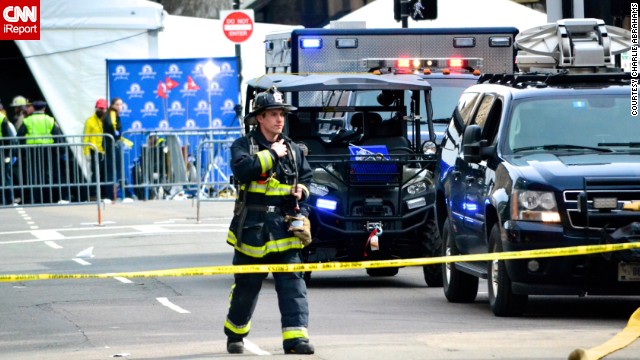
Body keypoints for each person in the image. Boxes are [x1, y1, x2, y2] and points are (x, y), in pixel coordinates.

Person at [223, 86, 315, 355]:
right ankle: (235, 335)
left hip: (285, 230)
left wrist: (303, 191)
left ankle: (295, 340)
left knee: (293, 288)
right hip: (252, 232)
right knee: (245, 290)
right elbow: (243, 170)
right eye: (273, 114)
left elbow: (308, 180)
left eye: (282, 114)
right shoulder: (244, 145)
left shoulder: (295, 149)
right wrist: (272, 155)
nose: (279, 120)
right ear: (259, 118)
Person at [17, 100, 64, 204]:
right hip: (48, 150)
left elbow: (19, 136)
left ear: (34, 108)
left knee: (33, 174)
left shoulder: (27, 120)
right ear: (44, 109)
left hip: (31, 151)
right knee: (47, 174)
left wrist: (22, 150)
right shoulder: (50, 120)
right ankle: (48, 199)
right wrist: (61, 150)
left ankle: (34, 199)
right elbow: (58, 135)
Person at [83, 98, 108, 199]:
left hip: (105, 150)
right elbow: (86, 137)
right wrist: (86, 152)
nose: (101, 110)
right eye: (99, 108)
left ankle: (104, 194)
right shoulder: (90, 121)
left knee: (105, 173)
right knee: (95, 173)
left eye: (103, 108)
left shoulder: (107, 120)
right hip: (95, 150)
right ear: (96, 108)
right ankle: (93, 194)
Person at [0, 101, 16, 205]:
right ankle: (7, 200)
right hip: (1, 150)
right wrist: (9, 153)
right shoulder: (2, 117)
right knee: (4, 175)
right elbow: (10, 137)